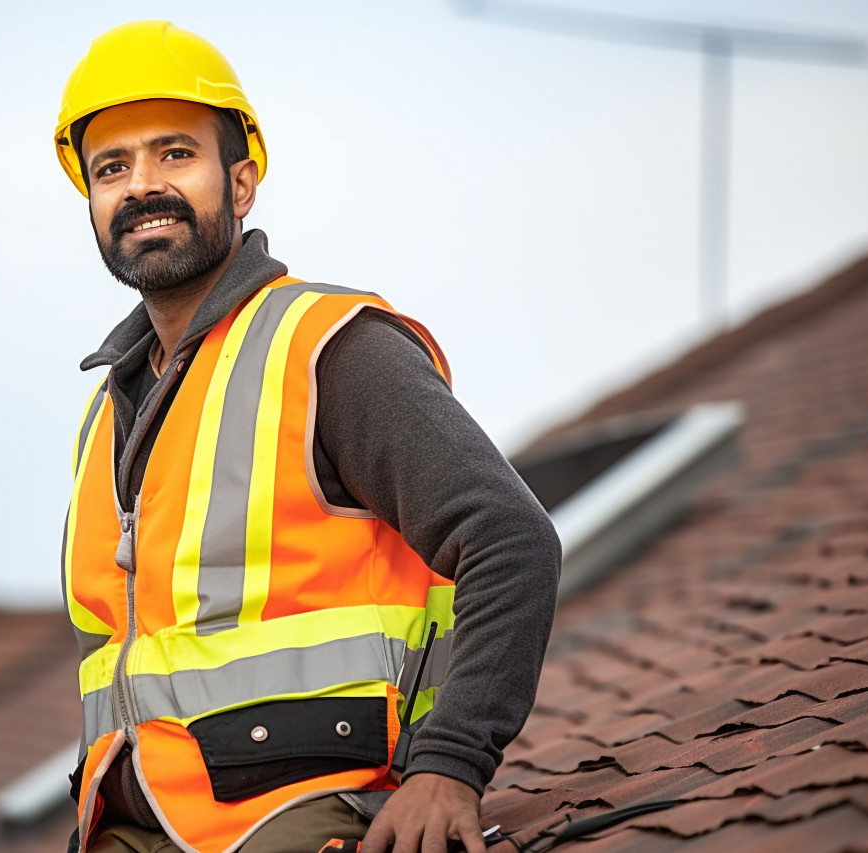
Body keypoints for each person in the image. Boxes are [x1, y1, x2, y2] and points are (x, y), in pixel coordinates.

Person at [56, 21, 560, 853]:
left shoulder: (328, 346)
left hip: (298, 811)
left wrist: (448, 767)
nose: (142, 185)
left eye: (175, 154)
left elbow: (511, 539)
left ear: (242, 182)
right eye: (113, 167)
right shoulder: (109, 410)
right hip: (132, 828)